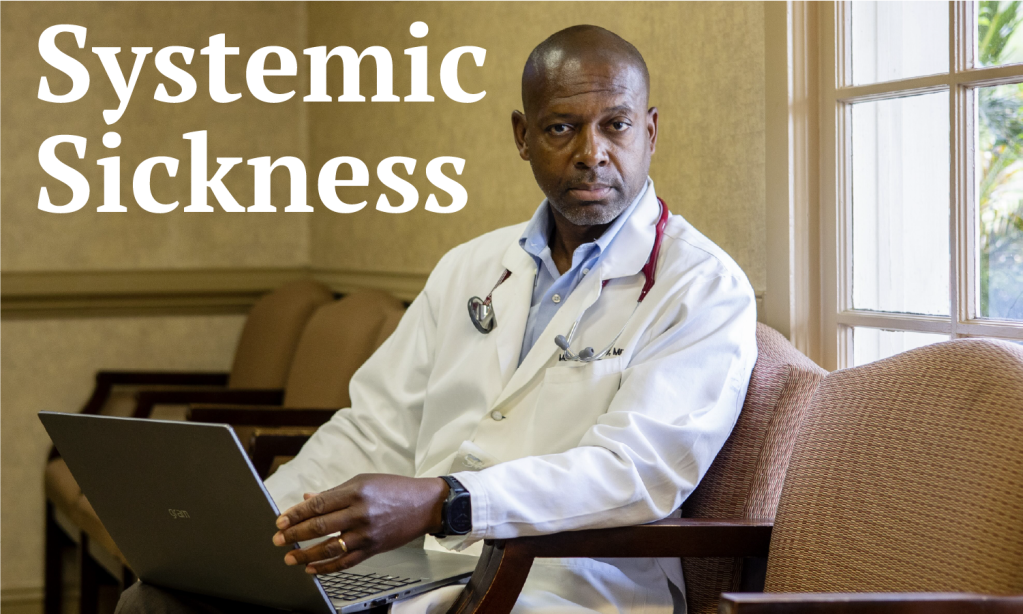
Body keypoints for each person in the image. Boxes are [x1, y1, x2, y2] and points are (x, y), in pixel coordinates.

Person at [116, 24, 757, 614]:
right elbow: (375, 428)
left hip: (567, 584)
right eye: (562, 128)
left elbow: (637, 474)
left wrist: (444, 501)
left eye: (615, 125)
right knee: (160, 599)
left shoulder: (700, 287)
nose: (592, 152)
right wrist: (264, 526)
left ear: (650, 131)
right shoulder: (470, 268)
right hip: (420, 568)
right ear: (522, 136)